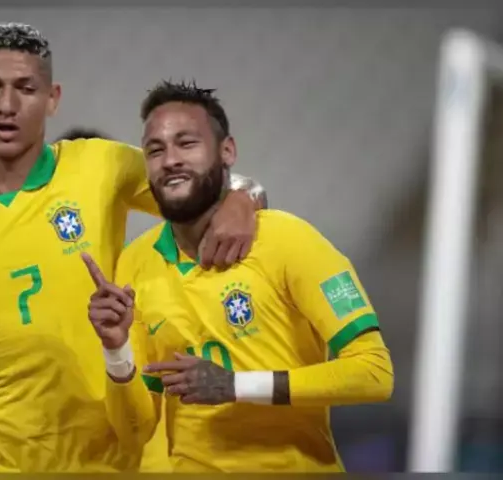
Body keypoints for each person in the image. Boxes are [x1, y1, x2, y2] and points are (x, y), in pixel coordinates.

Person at [0, 23, 265, 472]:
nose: (7, 105)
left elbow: (207, 182)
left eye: (26, 88)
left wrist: (242, 199)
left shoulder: (102, 166)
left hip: (103, 461)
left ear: (53, 99)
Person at [82, 80, 395, 472]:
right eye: (155, 150)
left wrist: (235, 386)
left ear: (227, 151)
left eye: (186, 143)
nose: (170, 159)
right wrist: (116, 351)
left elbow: (374, 373)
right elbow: (136, 432)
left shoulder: (289, 240)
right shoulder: (136, 263)